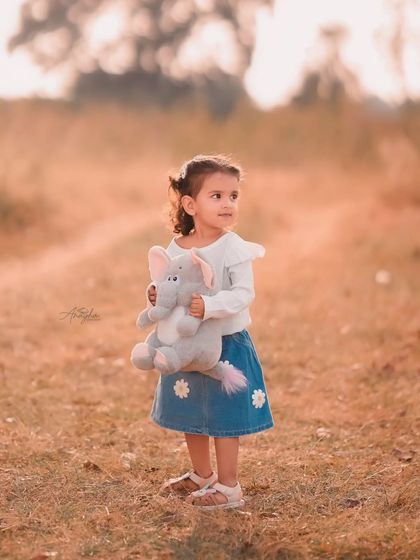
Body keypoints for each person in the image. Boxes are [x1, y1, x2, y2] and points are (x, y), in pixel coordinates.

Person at [147, 154, 274, 509]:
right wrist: (155, 294)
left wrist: (211, 306)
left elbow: (244, 293)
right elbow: (167, 284)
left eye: (233, 196)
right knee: (192, 412)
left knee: (222, 416)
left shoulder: (233, 246)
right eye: (216, 196)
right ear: (190, 204)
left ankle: (229, 487)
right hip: (185, 345)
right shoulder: (177, 246)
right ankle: (202, 474)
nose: (228, 203)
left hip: (225, 345)